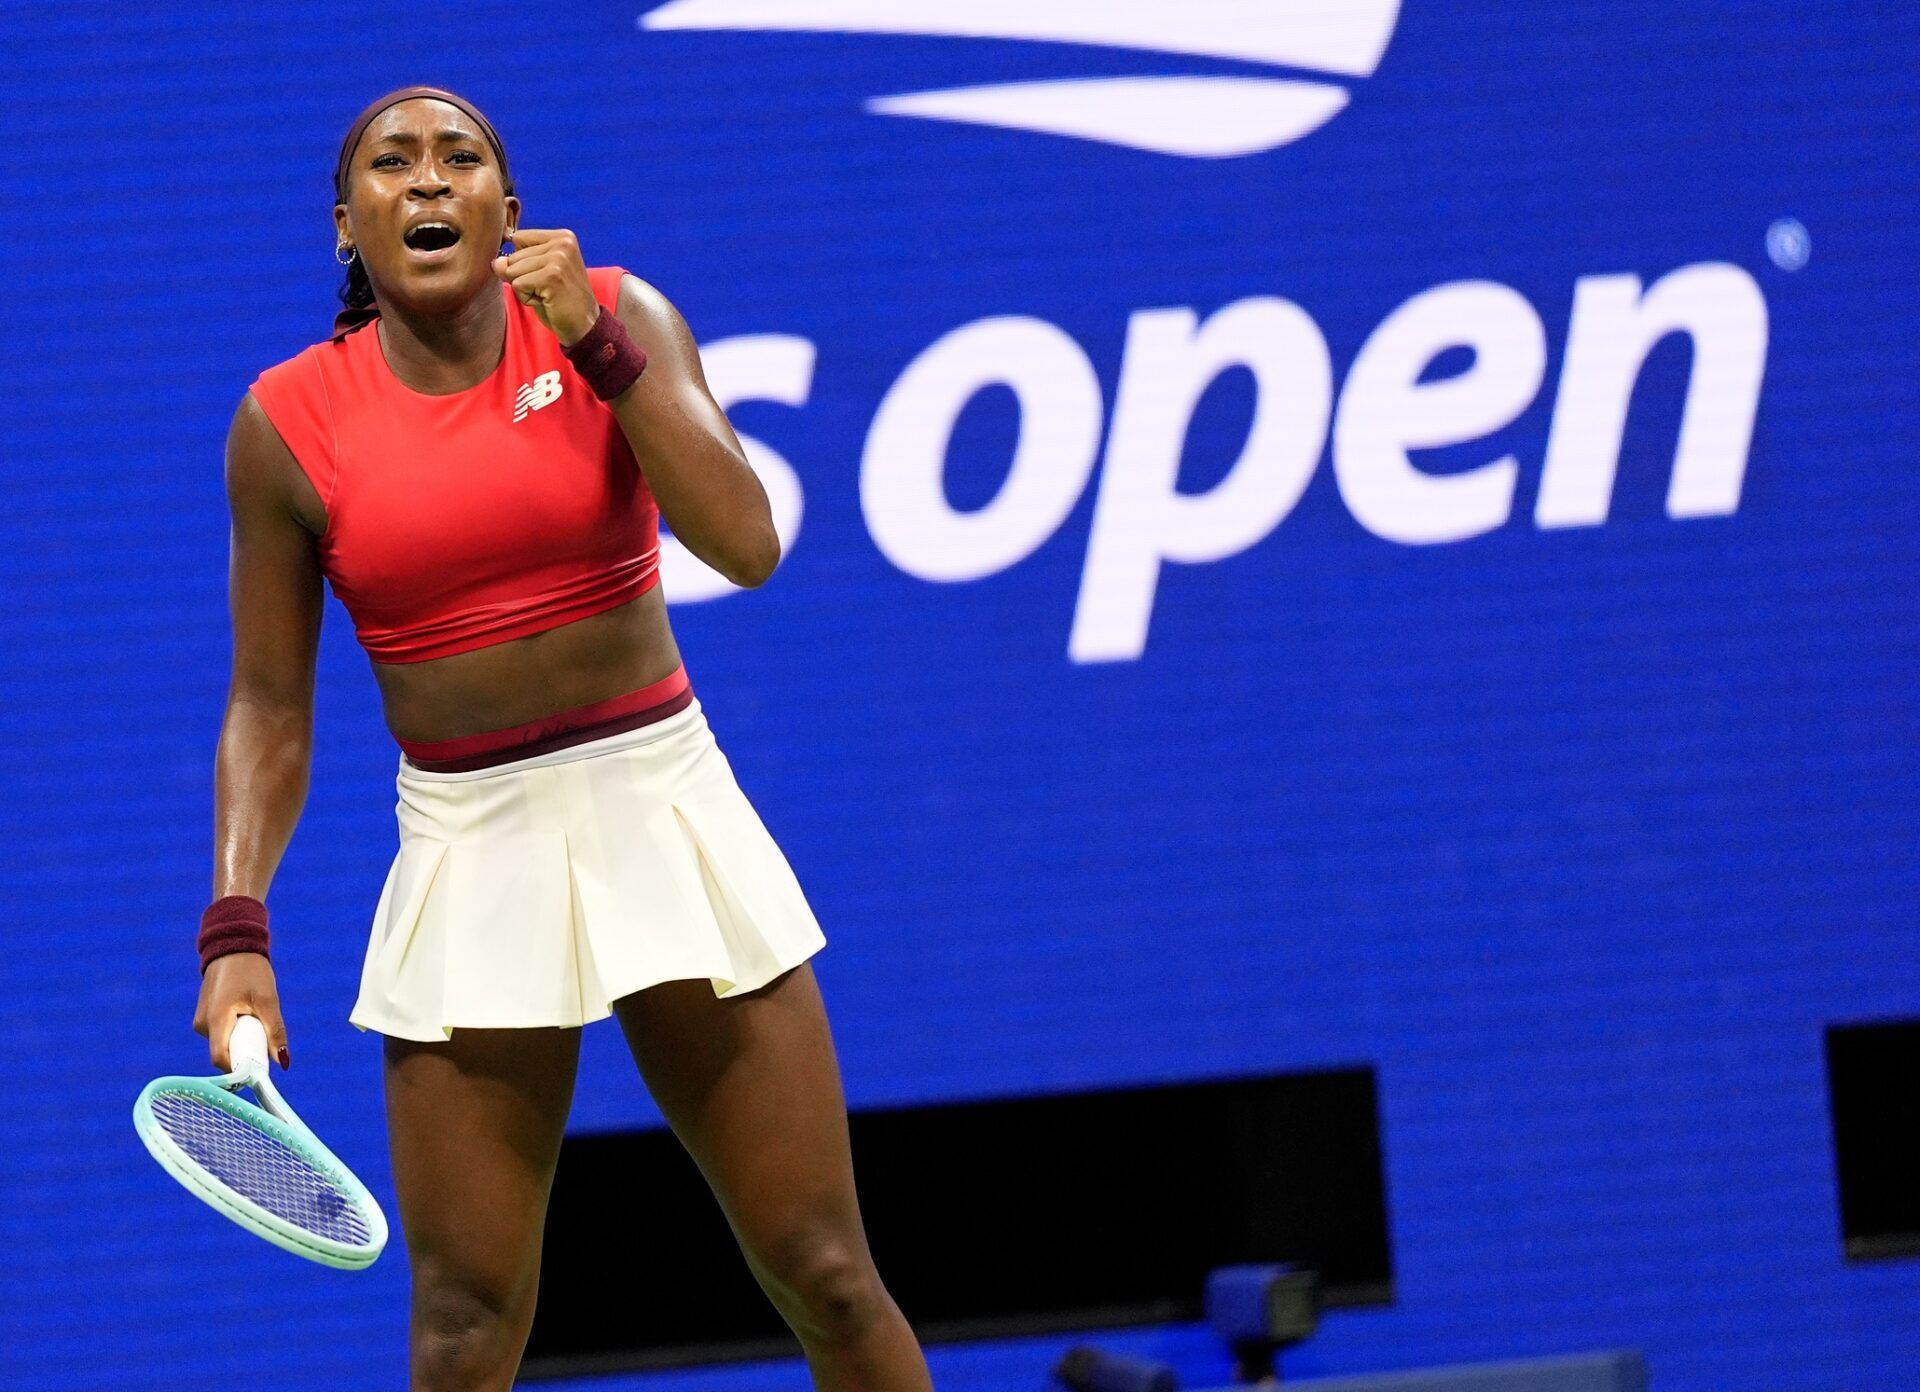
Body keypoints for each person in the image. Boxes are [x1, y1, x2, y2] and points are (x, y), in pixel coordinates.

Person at [191, 83, 934, 1392]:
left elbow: (747, 545)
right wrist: (236, 931)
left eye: (460, 158)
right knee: (462, 1326)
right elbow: (269, 706)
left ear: (508, 208)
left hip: (662, 802)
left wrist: (598, 346)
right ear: (347, 225)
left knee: (825, 1271)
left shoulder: (617, 314)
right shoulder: (285, 424)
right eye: (392, 163)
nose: (429, 180)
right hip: (469, 844)